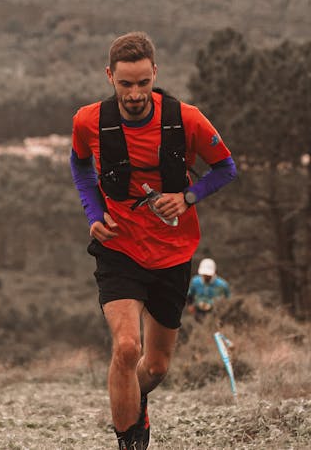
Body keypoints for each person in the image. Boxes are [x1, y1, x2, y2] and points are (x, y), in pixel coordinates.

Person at [70, 31, 238, 450]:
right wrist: (94, 216)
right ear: (110, 76)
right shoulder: (89, 121)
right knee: (127, 348)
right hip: (119, 249)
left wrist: (186, 197)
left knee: (157, 367)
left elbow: (226, 168)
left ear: (155, 74)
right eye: (125, 84)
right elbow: (80, 167)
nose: (134, 93)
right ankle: (130, 438)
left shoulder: (187, 119)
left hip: (173, 253)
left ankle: (132, 398)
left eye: (143, 82)